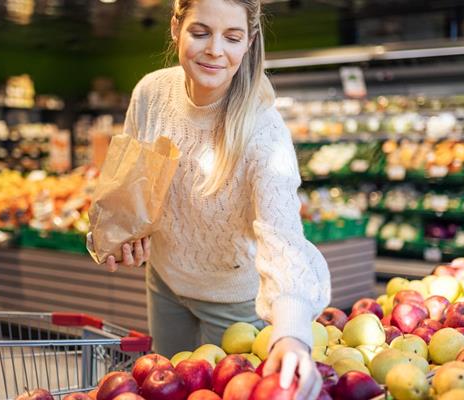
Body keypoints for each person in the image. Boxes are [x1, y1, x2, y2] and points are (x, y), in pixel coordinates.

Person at [99, 0, 331, 398]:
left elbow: (284, 237)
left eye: (232, 37)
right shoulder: (150, 93)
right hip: (164, 282)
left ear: (250, 42)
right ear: (176, 28)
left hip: (233, 301)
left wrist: (292, 333)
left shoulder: (263, 130)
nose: (215, 50)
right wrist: (128, 231)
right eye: (200, 32)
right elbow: (136, 181)